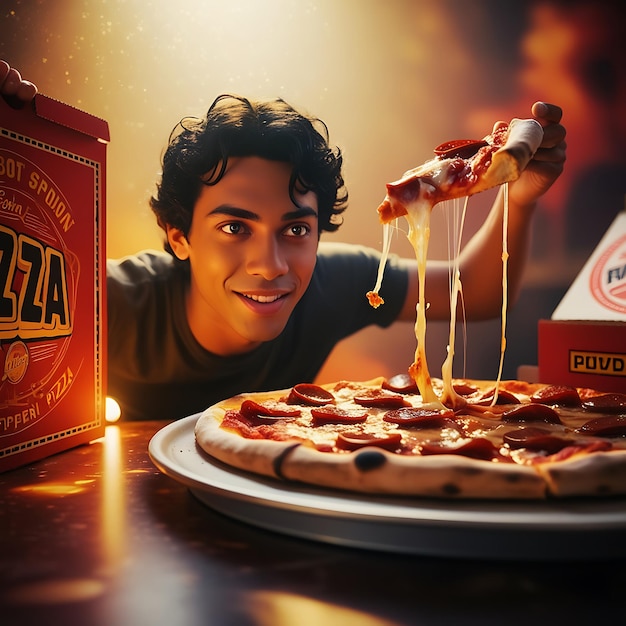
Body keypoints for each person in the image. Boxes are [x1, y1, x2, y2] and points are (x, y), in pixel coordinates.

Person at [1, 60, 567, 421]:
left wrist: (520, 197)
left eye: (296, 230)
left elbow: (474, 292)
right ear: (178, 236)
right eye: (233, 227)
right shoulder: (99, 302)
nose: (271, 265)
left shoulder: (333, 280)